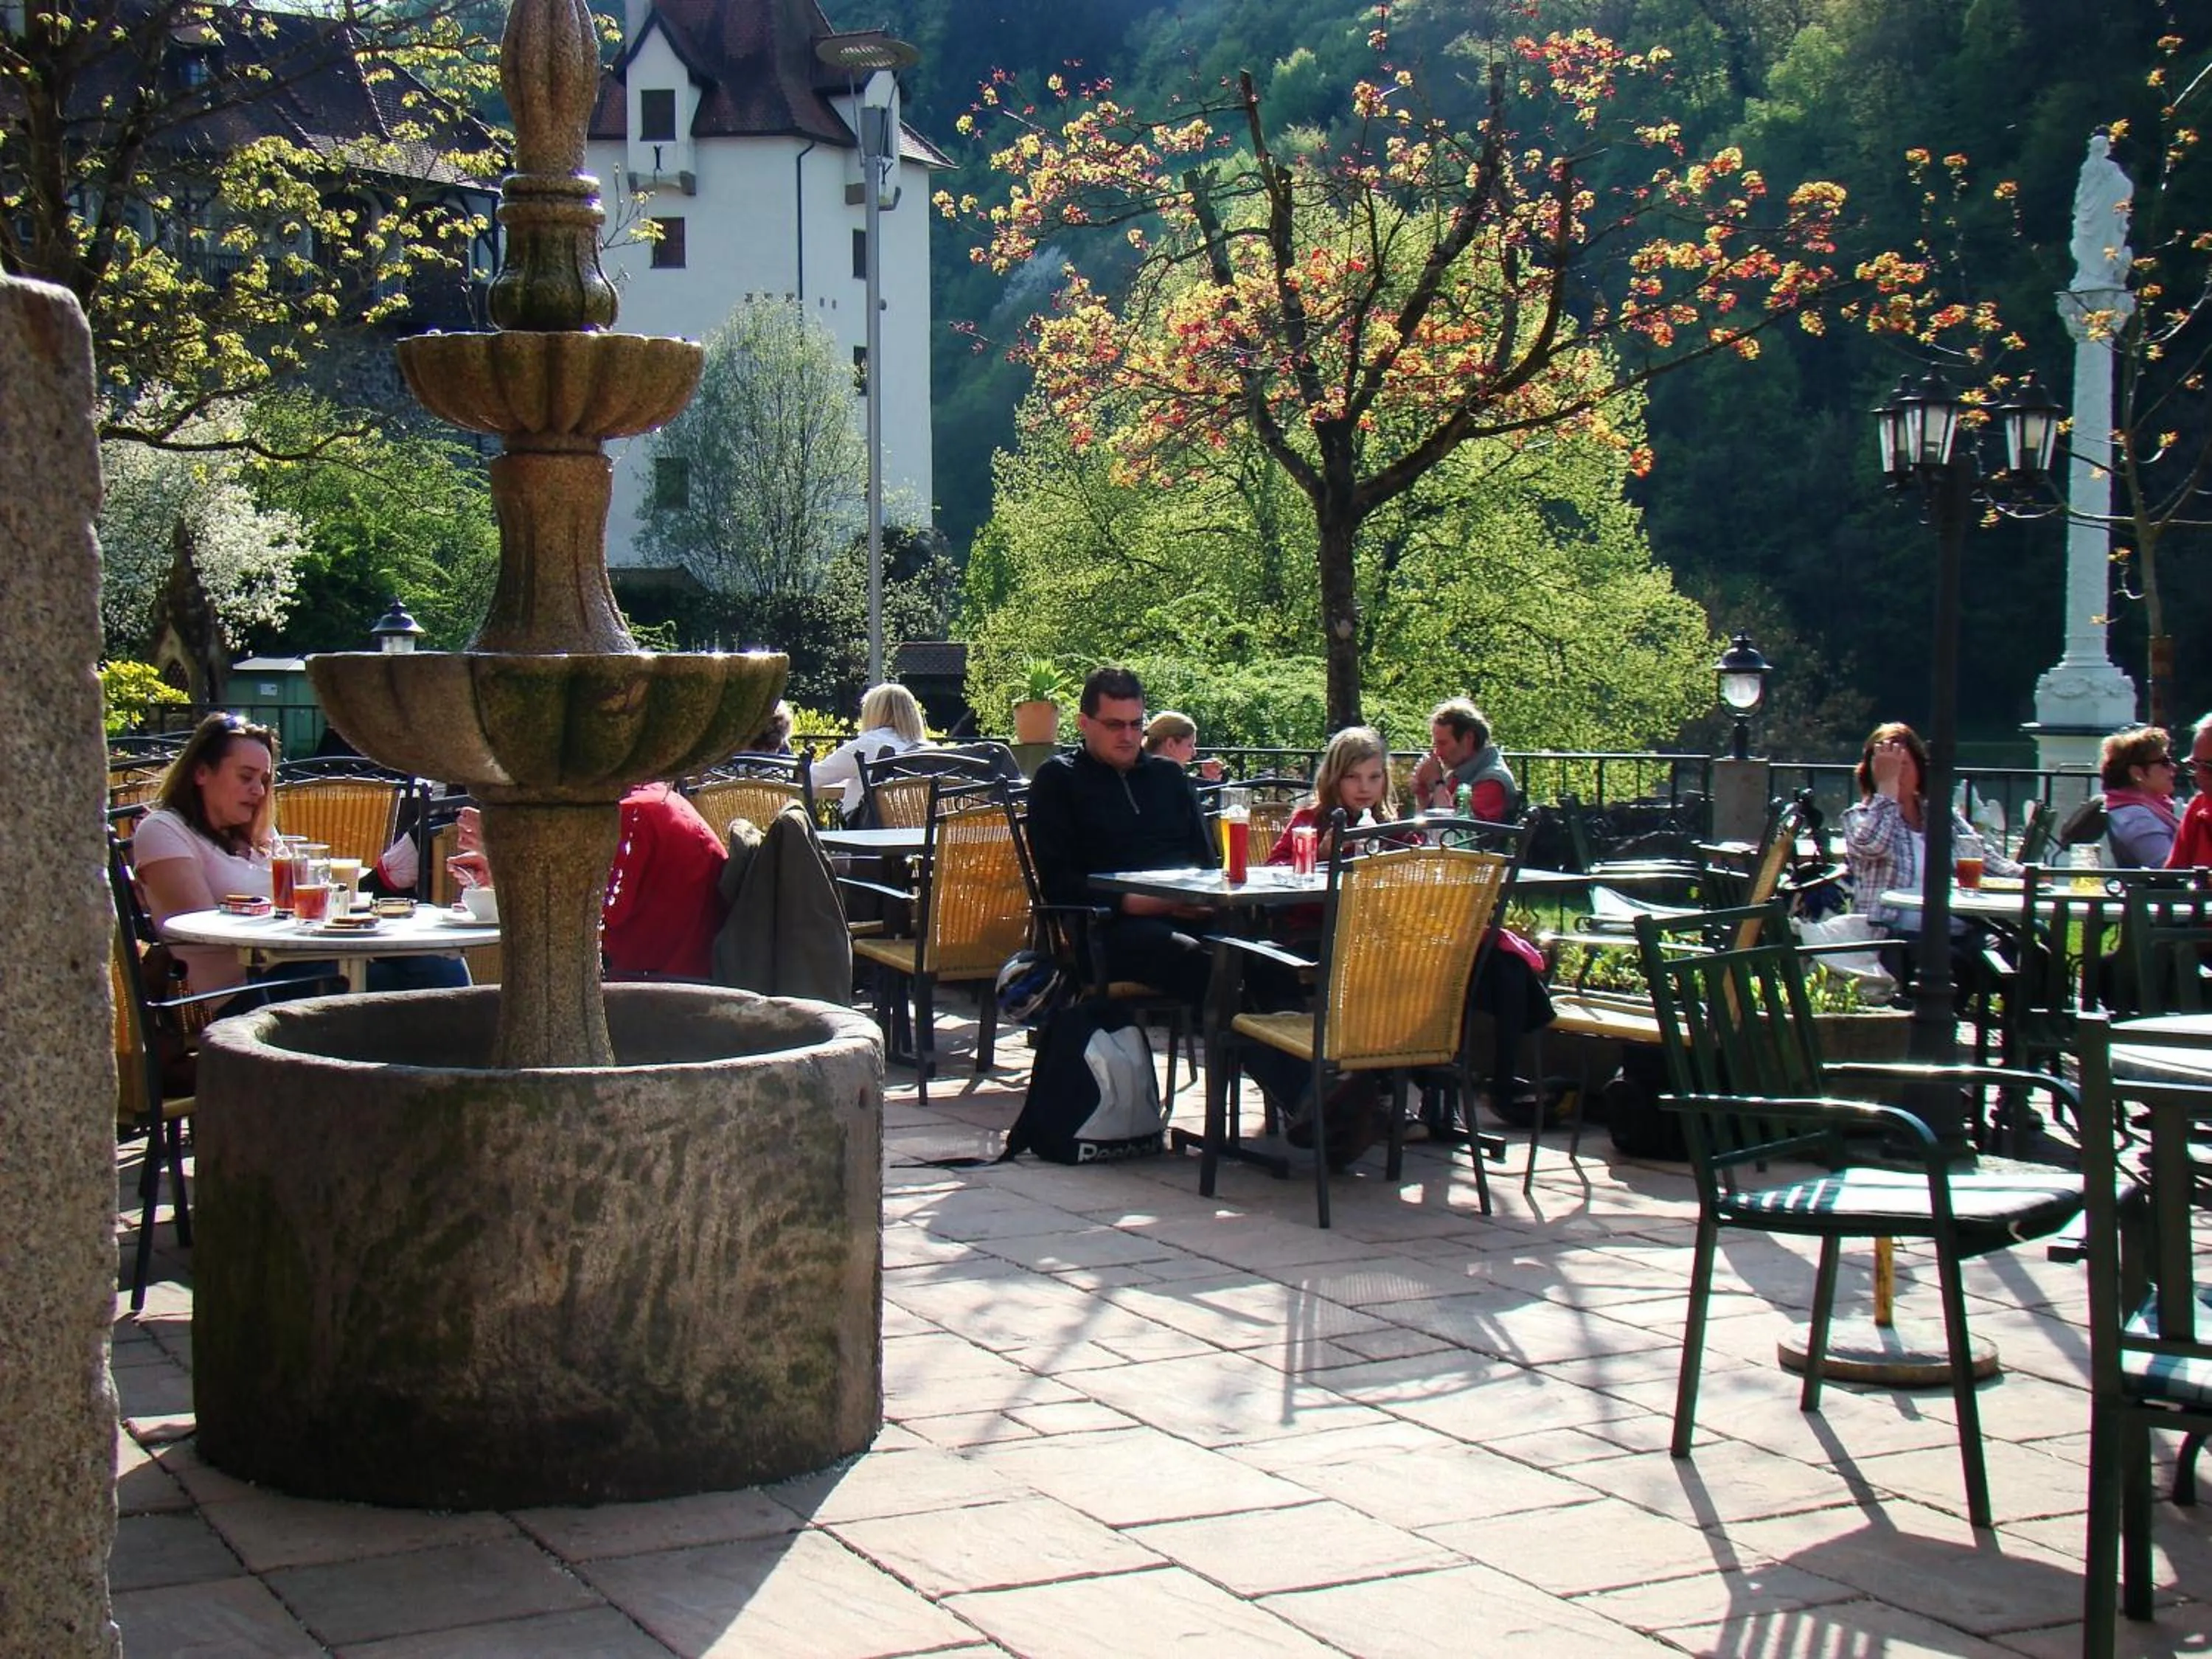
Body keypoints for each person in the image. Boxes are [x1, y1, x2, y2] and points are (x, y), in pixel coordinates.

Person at [1026, 667, 1346, 1152]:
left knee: (1266, 957)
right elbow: (1058, 883)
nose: (1129, 736)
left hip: (1190, 913)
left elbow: (1204, 861)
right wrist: (1144, 902)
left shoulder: (1168, 778)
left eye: (1137, 724)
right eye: (1116, 725)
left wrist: (1198, 901)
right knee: (1207, 964)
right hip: (1107, 931)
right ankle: (1313, 1097)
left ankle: (1313, 1093)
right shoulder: (1058, 780)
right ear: (1084, 723)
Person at [1267, 726, 1551, 1134]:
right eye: (1354, 778)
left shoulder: (1388, 824)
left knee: (1490, 964)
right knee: (1416, 970)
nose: (1365, 788)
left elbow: (1421, 864)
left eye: (1374, 777)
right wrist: (1319, 855)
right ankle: (1399, 1090)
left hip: (1392, 937)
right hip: (1329, 935)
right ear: (1334, 778)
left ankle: (1474, 1087)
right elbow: (1271, 874)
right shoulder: (1311, 818)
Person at [448, 785, 729, 980]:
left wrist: (507, 848)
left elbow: (584, 915)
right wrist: (502, 872)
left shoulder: (634, 814)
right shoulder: (655, 802)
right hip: (678, 977)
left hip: (660, 994)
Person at [808, 682, 928, 818]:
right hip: (923, 834)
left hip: (868, 834)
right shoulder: (930, 752)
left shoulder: (868, 744)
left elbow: (812, 777)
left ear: (873, 713)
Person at [1409, 699, 1518, 819]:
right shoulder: (1460, 772)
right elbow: (1426, 831)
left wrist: (1437, 784)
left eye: (1443, 744)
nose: (1437, 753)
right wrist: (1422, 793)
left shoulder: (1491, 781)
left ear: (1468, 738)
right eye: (1435, 745)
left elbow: (1454, 834)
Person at [2098, 724, 2180, 867]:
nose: (2174, 767)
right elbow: (2168, 869)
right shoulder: (2137, 818)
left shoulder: (2150, 808)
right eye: (2164, 762)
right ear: (2137, 773)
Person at [2166, 714, 2212, 869]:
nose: (2199, 775)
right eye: (2194, 765)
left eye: (2208, 767)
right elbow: (2173, 876)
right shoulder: (2199, 806)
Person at [1142, 710, 1225, 781]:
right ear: (1170, 744)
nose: (1194, 753)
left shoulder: (1145, 772)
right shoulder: (1161, 781)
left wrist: (1205, 777)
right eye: (1190, 745)